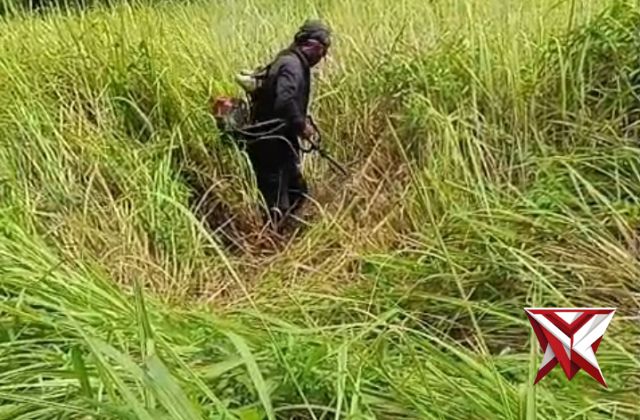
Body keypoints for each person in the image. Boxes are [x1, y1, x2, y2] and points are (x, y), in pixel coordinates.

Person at [244, 19, 331, 230]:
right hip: (270, 142)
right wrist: (301, 125)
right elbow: (284, 100)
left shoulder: (290, 61)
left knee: (297, 192)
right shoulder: (292, 65)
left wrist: (299, 122)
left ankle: (284, 235)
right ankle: (271, 240)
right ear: (309, 44)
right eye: (322, 50)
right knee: (277, 204)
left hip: (279, 140)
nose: (322, 56)